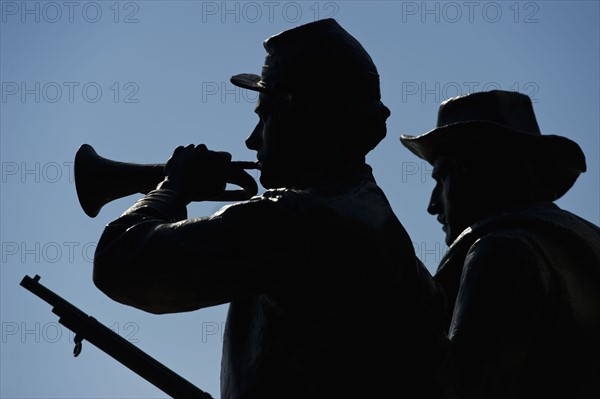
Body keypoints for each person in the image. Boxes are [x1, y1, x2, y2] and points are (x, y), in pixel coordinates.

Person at [93, 19, 455, 399]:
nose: (251, 141)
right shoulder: (388, 238)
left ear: (303, 116)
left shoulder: (292, 218)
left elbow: (119, 262)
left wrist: (172, 189)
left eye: (263, 116)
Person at [400, 90, 600, 399]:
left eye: (442, 179)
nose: (433, 205)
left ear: (478, 171)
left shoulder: (502, 252)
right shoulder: (583, 247)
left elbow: (459, 389)